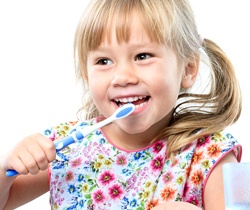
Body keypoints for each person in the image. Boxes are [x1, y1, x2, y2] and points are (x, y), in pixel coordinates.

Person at [0, 0, 242, 209]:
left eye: (143, 56)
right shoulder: (63, 147)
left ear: (188, 69)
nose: (123, 77)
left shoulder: (215, 153)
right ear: (87, 76)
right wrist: (6, 170)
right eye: (104, 61)